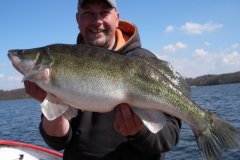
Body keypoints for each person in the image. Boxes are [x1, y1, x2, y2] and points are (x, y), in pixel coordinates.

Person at [24, 0, 181, 159]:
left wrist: (139, 132)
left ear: (117, 18)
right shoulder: (64, 63)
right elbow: (57, 142)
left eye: (104, 12)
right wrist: (51, 100)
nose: (97, 21)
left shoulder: (145, 62)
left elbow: (169, 137)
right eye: (88, 13)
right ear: (78, 19)